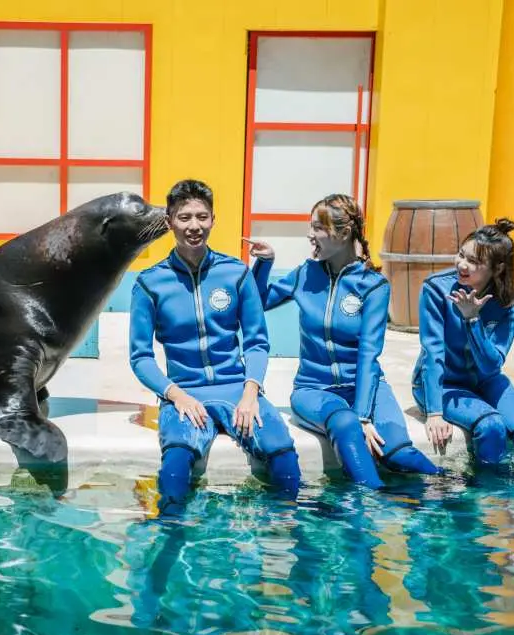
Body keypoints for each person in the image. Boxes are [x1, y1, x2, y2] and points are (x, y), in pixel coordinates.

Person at [246, 193, 441, 489]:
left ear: (344, 233)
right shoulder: (305, 274)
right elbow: (256, 302)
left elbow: (368, 354)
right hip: (314, 390)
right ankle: (368, 507)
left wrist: (363, 415)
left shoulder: (372, 285)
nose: (310, 235)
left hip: (366, 387)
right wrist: (264, 264)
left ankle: (447, 492)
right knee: (345, 423)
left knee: (399, 454)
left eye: (317, 228)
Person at [129, 179, 301, 515]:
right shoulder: (149, 283)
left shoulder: (235, 273)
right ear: (169, 222)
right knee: (176, 463)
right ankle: (171, 535)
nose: (194, 226)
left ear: (212, 220)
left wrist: (251, 394)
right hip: (186, 393)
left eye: (202, 216)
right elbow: (140, 357)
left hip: (238, 389)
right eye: (184, 217)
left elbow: (256, 341)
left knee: (282, 453)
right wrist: (176, 395)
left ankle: (288, 529)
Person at [412, 217, 514, 472]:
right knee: (491, 426)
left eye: (474, 262)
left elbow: (491, 365)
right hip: (441, 384)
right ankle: (487, 495)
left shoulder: (511, 301)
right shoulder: (436, 289)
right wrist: (435, 412)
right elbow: (432, 353)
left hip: (485, 381)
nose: (462, 264)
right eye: (461, 255)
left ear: (497, 268)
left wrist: (472, 320)